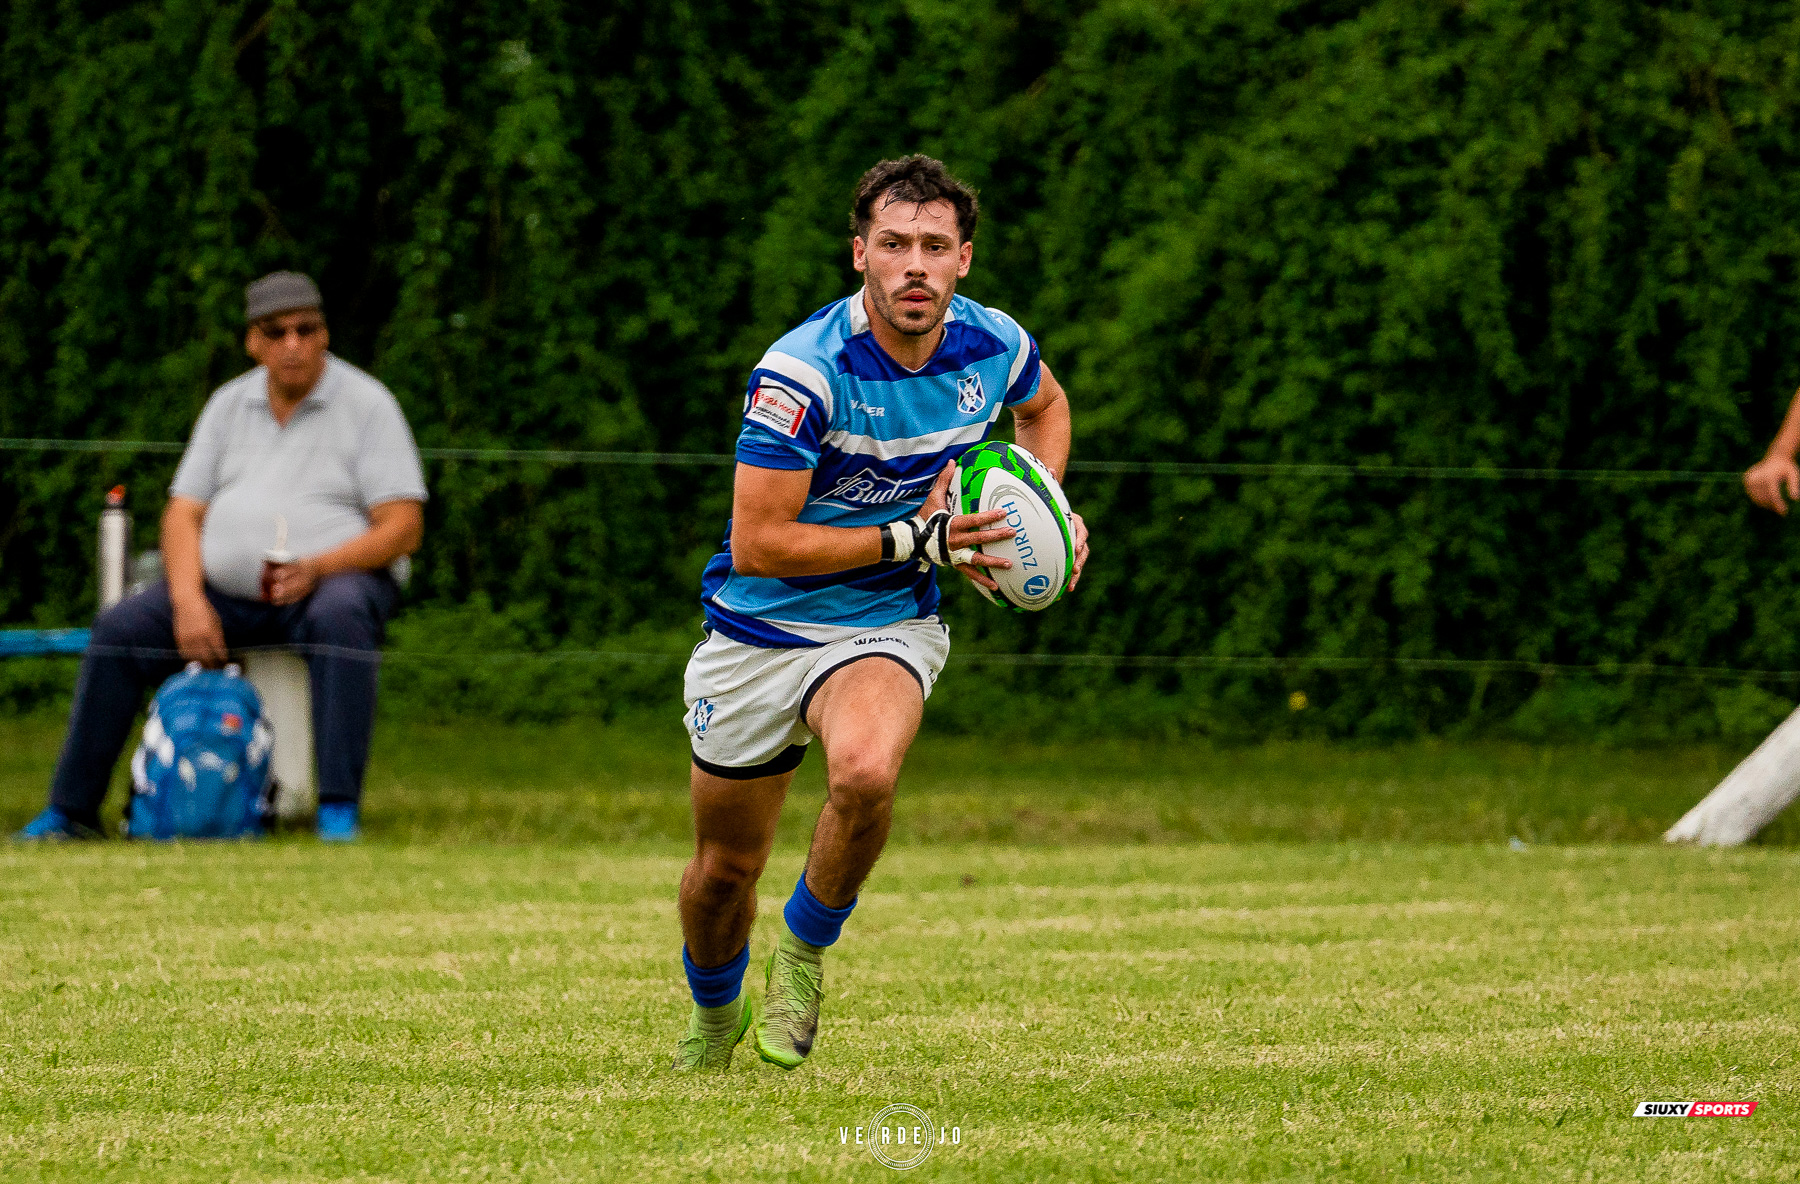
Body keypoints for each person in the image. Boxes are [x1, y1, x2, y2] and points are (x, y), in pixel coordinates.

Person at [672, 156, 1090, 1071]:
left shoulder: (993, 345)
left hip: (884, 623)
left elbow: (1045, 407)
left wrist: (1040, 510)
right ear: (859, 253)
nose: (915, 266)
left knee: (863, 774)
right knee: (720, 876)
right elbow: (760, 544)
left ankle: (804, 956)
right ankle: (712, 1018)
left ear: (964, 260)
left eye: (934, 247)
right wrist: (917, 538)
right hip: (759, 626)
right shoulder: (801, 373)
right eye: (894, 244)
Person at [15, 271, 426, 843]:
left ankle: (336, 810)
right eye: (275, 331)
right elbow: (183, 512)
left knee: (341, 615)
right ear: (252, 342)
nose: (293, 344)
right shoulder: (228, 405)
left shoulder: (369, 405)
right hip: (227, 590)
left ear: (326, 335)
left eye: (307, 329)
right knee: (120, 626)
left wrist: (318, 567)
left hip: (331, 581)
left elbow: (403, 525)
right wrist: (186, 600)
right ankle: (70, 811)